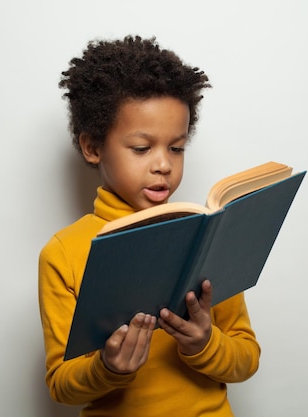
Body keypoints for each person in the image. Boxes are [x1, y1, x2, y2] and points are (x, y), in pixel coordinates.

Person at [38, 35, 260, 417]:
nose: (163, 165)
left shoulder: (205, 237)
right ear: (93, 147)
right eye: (142, 148)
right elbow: (61, 385)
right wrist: (105, 368)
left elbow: (247, 357)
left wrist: (205, 343)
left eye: (176, 147)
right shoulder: (63, 254)